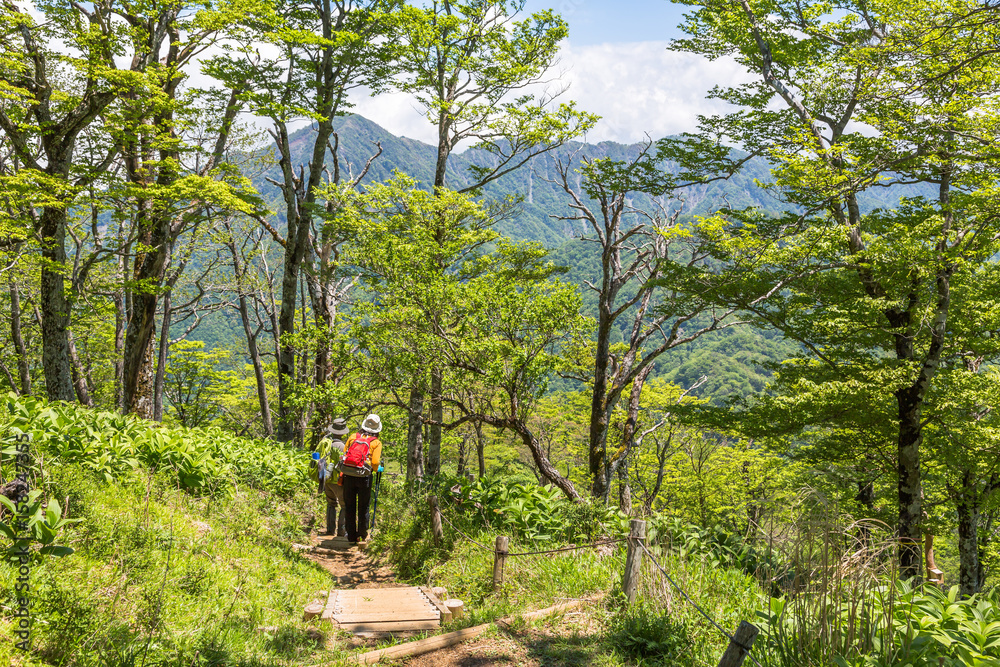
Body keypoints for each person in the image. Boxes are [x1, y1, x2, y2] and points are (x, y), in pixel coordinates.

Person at [340, 413, 383, 545]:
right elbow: (375, 462)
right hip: (364, 476)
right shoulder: (376, 442)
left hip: (348, 475)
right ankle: (362, 535)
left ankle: (351, 535)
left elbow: (345, 455)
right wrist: (377, 469)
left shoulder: (353, 437)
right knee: (363, 506)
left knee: (350, 505)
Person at [316, 418, 350, 536]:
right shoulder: (342, 446)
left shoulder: (326, 443)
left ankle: (330, 530)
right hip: (338, 480)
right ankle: (342, 531)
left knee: (331, 503)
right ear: (343, 433)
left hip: (326, 478)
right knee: (345, 505)